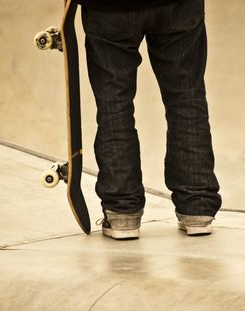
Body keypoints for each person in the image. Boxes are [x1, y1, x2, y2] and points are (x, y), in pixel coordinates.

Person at [76, 0, 221, 239]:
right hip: (179, 6)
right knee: (186, 97)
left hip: (110, 11)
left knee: (114, 103)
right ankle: (197, 208)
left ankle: (122, 212)